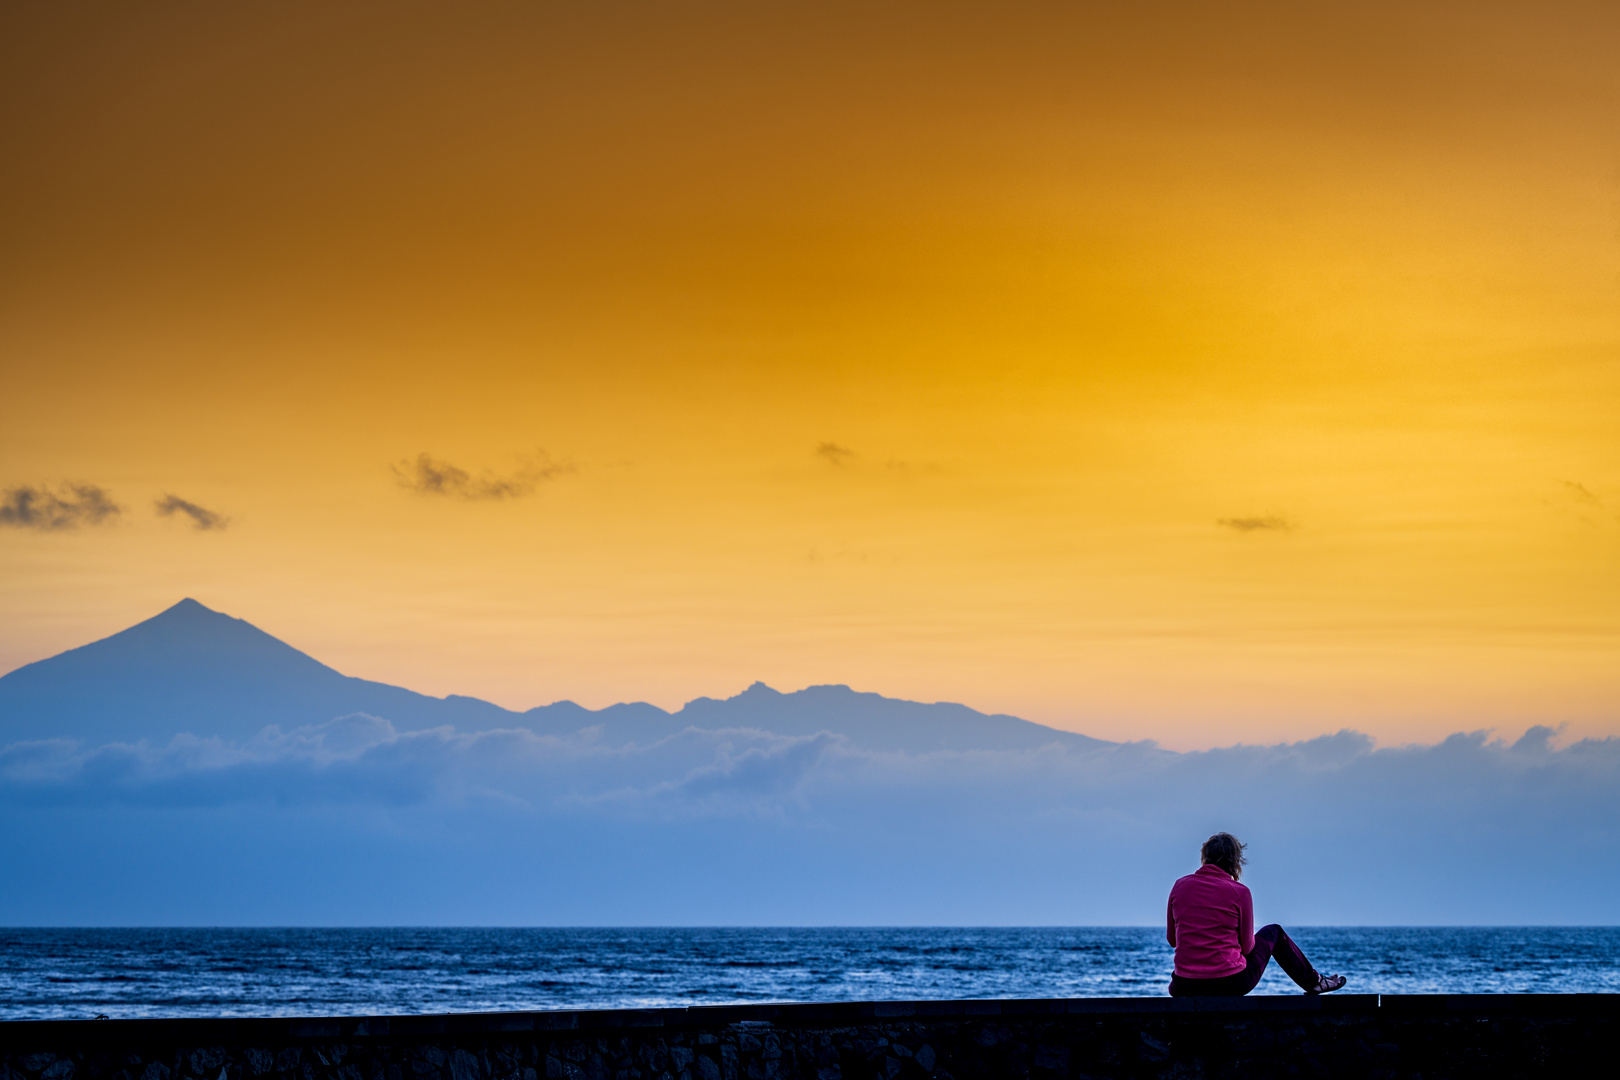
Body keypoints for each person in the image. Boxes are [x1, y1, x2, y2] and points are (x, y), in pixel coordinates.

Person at [1165, 832, 1346, 996]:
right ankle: (1315, 982)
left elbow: (1173, 940)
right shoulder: (1240, 892)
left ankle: (1316, 982)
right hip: (1230, 983)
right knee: (1274, 932)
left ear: (1204, 858)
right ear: (1235, 862)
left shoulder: (1179, 886)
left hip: (1184, 986)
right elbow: (1248, 948)